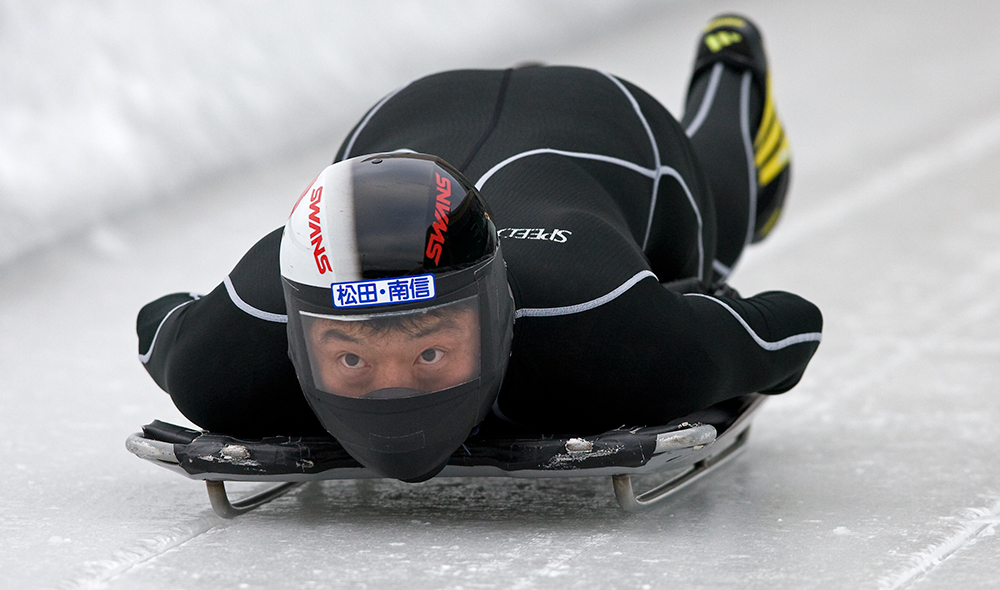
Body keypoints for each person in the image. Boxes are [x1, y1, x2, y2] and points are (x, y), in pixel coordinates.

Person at [136, 15, 822, 482]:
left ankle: (730, 76)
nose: (394, 390)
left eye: (430, 352)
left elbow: (787, 330)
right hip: (407, 116)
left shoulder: (597, 320)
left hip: (613, 130)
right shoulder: (233, 346)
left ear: (500, 315)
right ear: (295, 334)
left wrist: (694, 328)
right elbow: (160, 325)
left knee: (719, 237)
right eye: (349, 356)